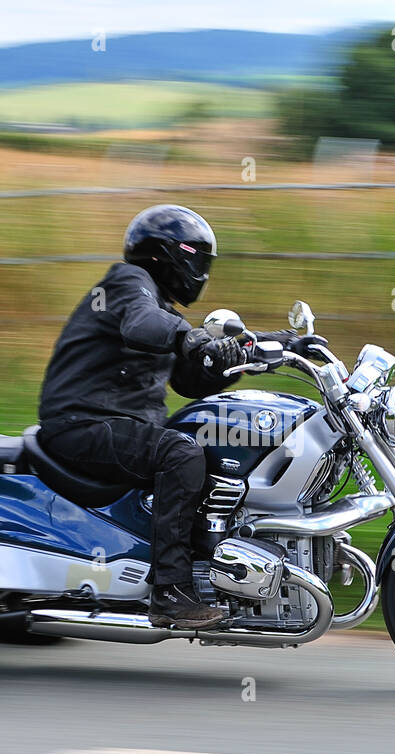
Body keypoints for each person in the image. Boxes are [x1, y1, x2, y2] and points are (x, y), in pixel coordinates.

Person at [36, 205, 245, 630]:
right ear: (166, 255)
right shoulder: (129, 283)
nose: (199, 269)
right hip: (81, 423)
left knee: (216, 446)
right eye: (194, 257)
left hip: (119, 425)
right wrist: (190, 335)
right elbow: (141, 324)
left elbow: (189, 381)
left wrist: (256, 352)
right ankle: (171, 591)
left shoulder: (161, 304)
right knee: (181, 455)